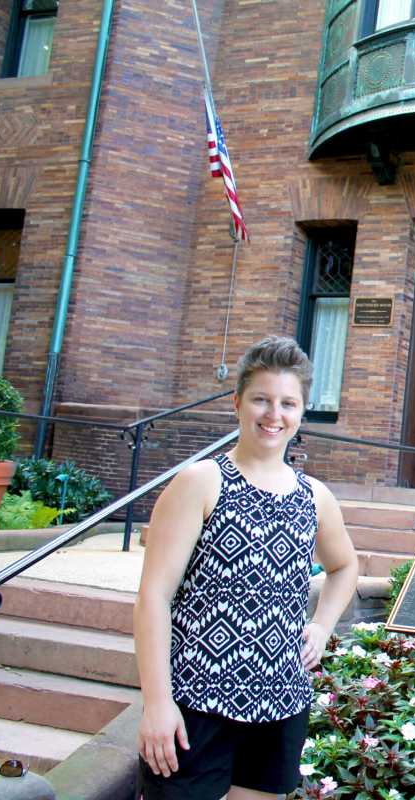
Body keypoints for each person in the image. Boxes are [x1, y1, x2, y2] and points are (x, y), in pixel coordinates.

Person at [134, 336, 359, 799]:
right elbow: (153, 596)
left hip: (280, 702)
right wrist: (157, 703)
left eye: (287, 403)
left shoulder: (315, 496)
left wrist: (320, 626)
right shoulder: (201, 481)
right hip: (196, 701)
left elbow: (344, 566)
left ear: (301, 412)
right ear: (238, 403)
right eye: (261, 399)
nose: (273, 414)